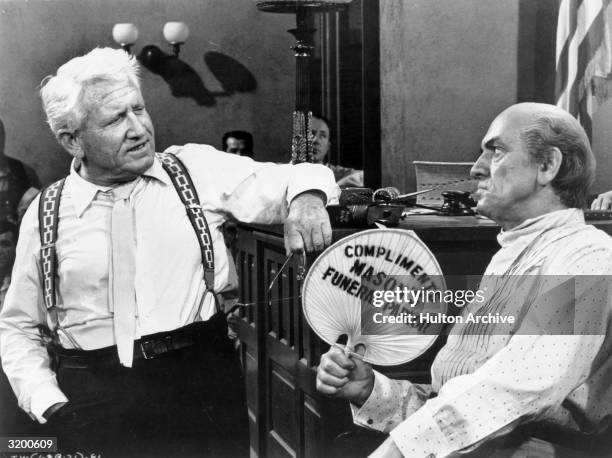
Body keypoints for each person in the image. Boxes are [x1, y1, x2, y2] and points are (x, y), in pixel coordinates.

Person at [0, 47, 338, 457]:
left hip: (201, 385)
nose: (138, 128)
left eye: (138, 109)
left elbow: (292, 175)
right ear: (72, 140)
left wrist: (306, 198)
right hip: (92, 400)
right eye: (115, 119)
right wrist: (47, 402)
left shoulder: (193, 170)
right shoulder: (46, 211)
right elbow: (17, 326)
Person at [316, 102, 612, 457]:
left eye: (496, 151)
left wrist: (395, 450)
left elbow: (513, 392)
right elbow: (461, 402)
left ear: (548, 165)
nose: (476, 168)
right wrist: (371, 391)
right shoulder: (511, 253)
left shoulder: (588, 257)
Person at [310, 114, 364, 187]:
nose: (316, 140)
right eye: (311, 134)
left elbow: (362, 177)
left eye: (323, 136)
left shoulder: (334, 173)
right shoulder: (291, 170)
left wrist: (335, 189)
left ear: (328, 146)